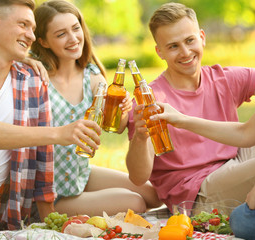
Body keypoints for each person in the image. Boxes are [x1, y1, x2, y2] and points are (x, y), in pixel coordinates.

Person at [0, 0, 102, 238]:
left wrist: (55, 226)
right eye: (23, 25)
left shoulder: (32, 80)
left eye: (33, 29)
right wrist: (59, 133)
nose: (32, 36)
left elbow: (43, 159)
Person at [126, 2, 255, 213]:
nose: (185, 52)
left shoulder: (222, 79)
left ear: (202, 37)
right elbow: (138, 177)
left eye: (190, 41)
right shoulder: (151, 101)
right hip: (198, 194)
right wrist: (141, 138)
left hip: (235, 164)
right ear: (159, 51)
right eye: (173, 46)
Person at [28, 0, 162, 217]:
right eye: (61, 34)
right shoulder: (35, 75)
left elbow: (116, 127)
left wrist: (123, 108)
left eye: (75, 28)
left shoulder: (91, 76)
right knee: (135, 203)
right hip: (50, 191)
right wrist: (27, 61)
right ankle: (54, 211)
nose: (73, 39)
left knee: (154, 195)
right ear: (42, 41)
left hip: (79, 172)